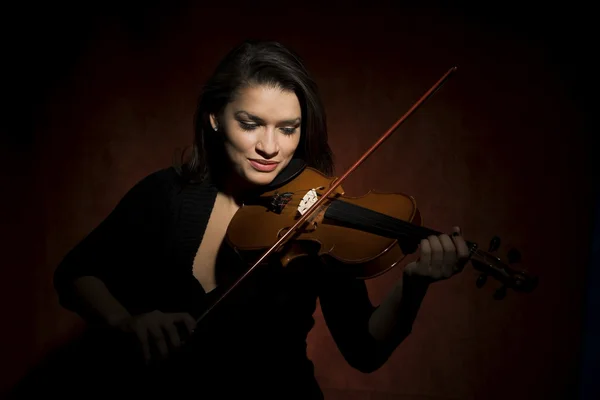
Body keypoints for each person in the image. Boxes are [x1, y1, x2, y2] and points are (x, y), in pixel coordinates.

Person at [52, 40, 469, 399]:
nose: (270, 147)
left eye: (288, 129)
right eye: (251, 124)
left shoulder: (318, 213)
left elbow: (365, 351)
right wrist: (125, 322)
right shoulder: (166, 193)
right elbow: (76, 273)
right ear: (215, 118)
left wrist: (413, 286)